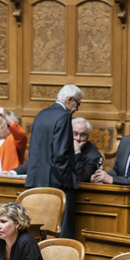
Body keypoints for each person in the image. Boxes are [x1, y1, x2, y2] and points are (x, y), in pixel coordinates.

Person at [26, 85, 82, 238]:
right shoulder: (63, 116)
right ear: (69, 99)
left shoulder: (41, 114)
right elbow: (60, 155)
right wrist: (67, 181)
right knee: (61, 231)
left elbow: (35, 150)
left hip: (37, 182)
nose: (77, 108)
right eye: (78, 103)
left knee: (40, 229)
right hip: (57, 183)